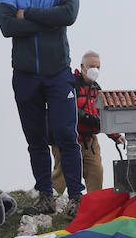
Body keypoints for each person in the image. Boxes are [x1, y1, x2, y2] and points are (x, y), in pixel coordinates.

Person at [0, 0, 83, 215]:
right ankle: (45, 195)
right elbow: (7, 26)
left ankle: (76, 197)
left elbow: (68, 15)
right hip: (24, 75)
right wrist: (50, 18)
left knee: (66, 134)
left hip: (58, 72)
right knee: (35, 139)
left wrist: (29, 14)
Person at [51, 50, 123, 198]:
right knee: (62, 175)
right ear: (82, 66)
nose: (94, 70)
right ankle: (50, 204)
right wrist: (84, 116)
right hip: (68, 139)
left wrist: (116, 136)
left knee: (96, 173)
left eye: (98, 67)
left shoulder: (97, 89)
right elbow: (61, 106)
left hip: (90, 142)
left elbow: (104, 116)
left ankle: (94, 209)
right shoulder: (69, 84)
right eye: (91, 66)